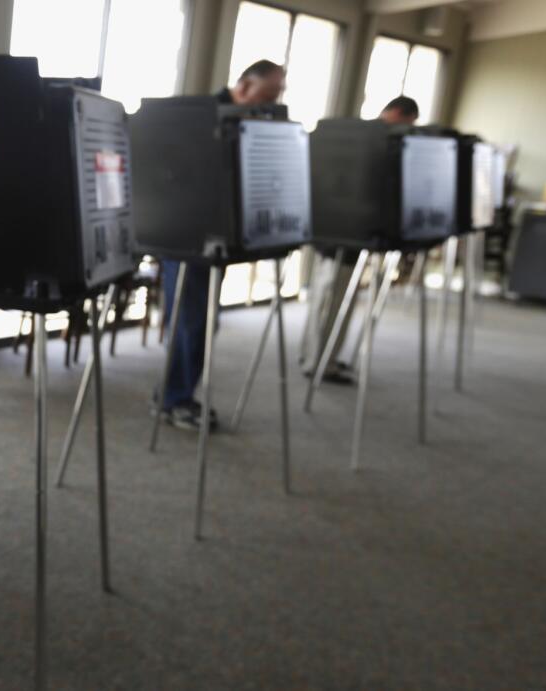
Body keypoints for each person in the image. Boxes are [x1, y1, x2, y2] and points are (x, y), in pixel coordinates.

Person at [159, 60, 286, 430]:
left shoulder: (249, 118)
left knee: (200, 322)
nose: (272, 102)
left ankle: (172, 394)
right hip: (186, 235)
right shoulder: (198, 114)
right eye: (268, 94)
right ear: (245, 86)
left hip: (218, 236)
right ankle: (175, 400)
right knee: (191, 322)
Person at [302, 96, 421, 385]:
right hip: (347, 235)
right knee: (332, 300)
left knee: (324, 297)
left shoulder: (351, 135)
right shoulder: (377, 141)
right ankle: (320, 362)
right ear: (397, 114)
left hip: (329, 231)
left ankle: (312, 355)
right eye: (408, 122)